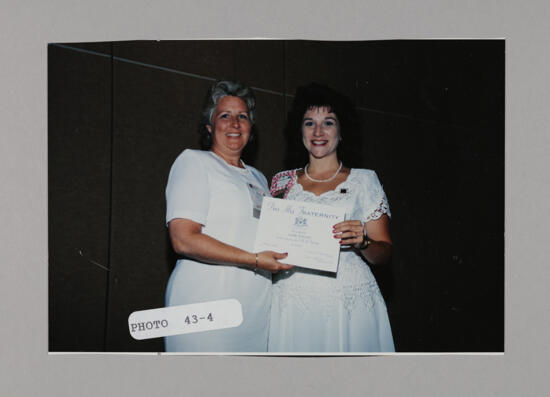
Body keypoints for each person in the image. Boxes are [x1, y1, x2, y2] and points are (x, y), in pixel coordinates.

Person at [164, 80, 292, 352]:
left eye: (242, 117)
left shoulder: (259, 178)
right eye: (225, 115)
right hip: (206, 305)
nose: (234, 123)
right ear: (209, 127)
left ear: (250, 128)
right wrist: (255, 260)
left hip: (256, 311)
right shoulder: (194, 162)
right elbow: (183, 240)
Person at [268, 83, 395, 352]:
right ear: (299, 130)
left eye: (328, 122)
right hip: (291, 300)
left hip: (348, 302)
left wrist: (364, 243)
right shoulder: (282, 182)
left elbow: (384, 253)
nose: (318, 132)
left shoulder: (365, 180)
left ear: (342, 130)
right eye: (309, 123)